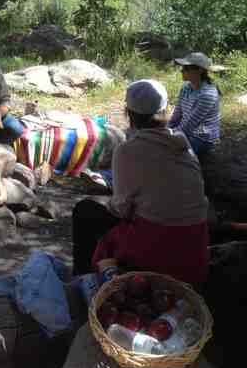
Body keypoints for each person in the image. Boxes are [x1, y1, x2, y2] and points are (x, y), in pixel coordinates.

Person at [72, 79, 209, 287]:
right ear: (165, 111)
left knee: (86, 210)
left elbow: (121, 209)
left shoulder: (127, 150)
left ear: (129, 113)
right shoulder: (181, 140)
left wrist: (112, 200)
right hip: (195, 244)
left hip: (157, 246)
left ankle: (85, 279)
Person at [168, 52, 221, 159]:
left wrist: (167, 135)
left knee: (170, 154)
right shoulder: (186, 87)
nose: (182, 70)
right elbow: (176, 115)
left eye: (187, 68)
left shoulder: (208, 93)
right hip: (187, 132)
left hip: (202, 137)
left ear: (200, 70)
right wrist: (165, 130)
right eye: (183, 67)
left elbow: (190, 124)